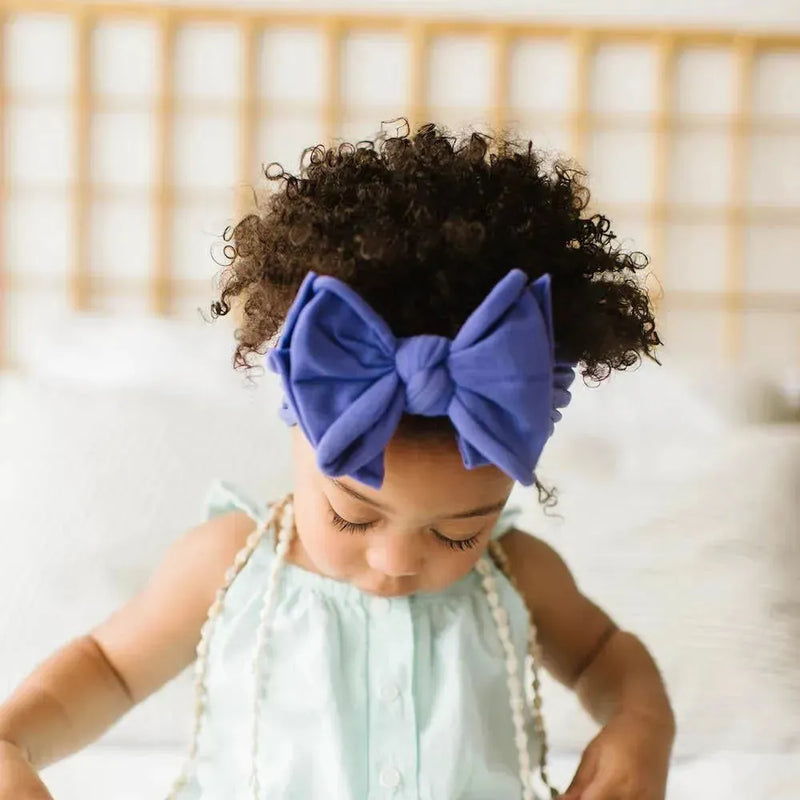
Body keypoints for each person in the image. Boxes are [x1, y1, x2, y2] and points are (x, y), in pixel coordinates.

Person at [0, 119, 674, 800]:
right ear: (298, 425)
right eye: (354, 516)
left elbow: (605, 657)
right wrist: (11, 743)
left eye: (458, 532)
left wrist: (641, 725)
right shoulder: (228, 566)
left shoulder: (518, 574)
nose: (397, 561)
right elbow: (107, 668)